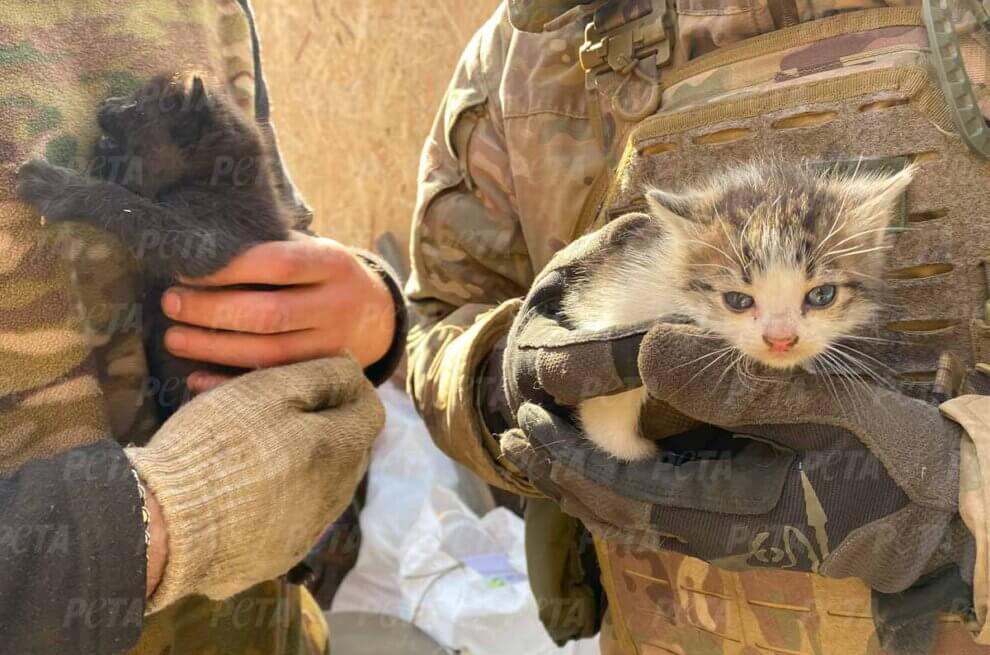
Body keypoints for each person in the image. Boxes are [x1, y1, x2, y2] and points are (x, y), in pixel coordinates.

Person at [406, 0, 990, 653]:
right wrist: (503, 387)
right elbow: (434, 321)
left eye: (820, 296)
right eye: (740, 302)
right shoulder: (527, 47)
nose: (779, 339)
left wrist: (964, 489)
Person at [0, 1, 406, 653]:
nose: (112, 137)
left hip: (263, 613)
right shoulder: (189, 161)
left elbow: (208, 247)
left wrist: (375, 314)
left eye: (127, 135)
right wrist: (155, 523)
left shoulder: (218, 144)